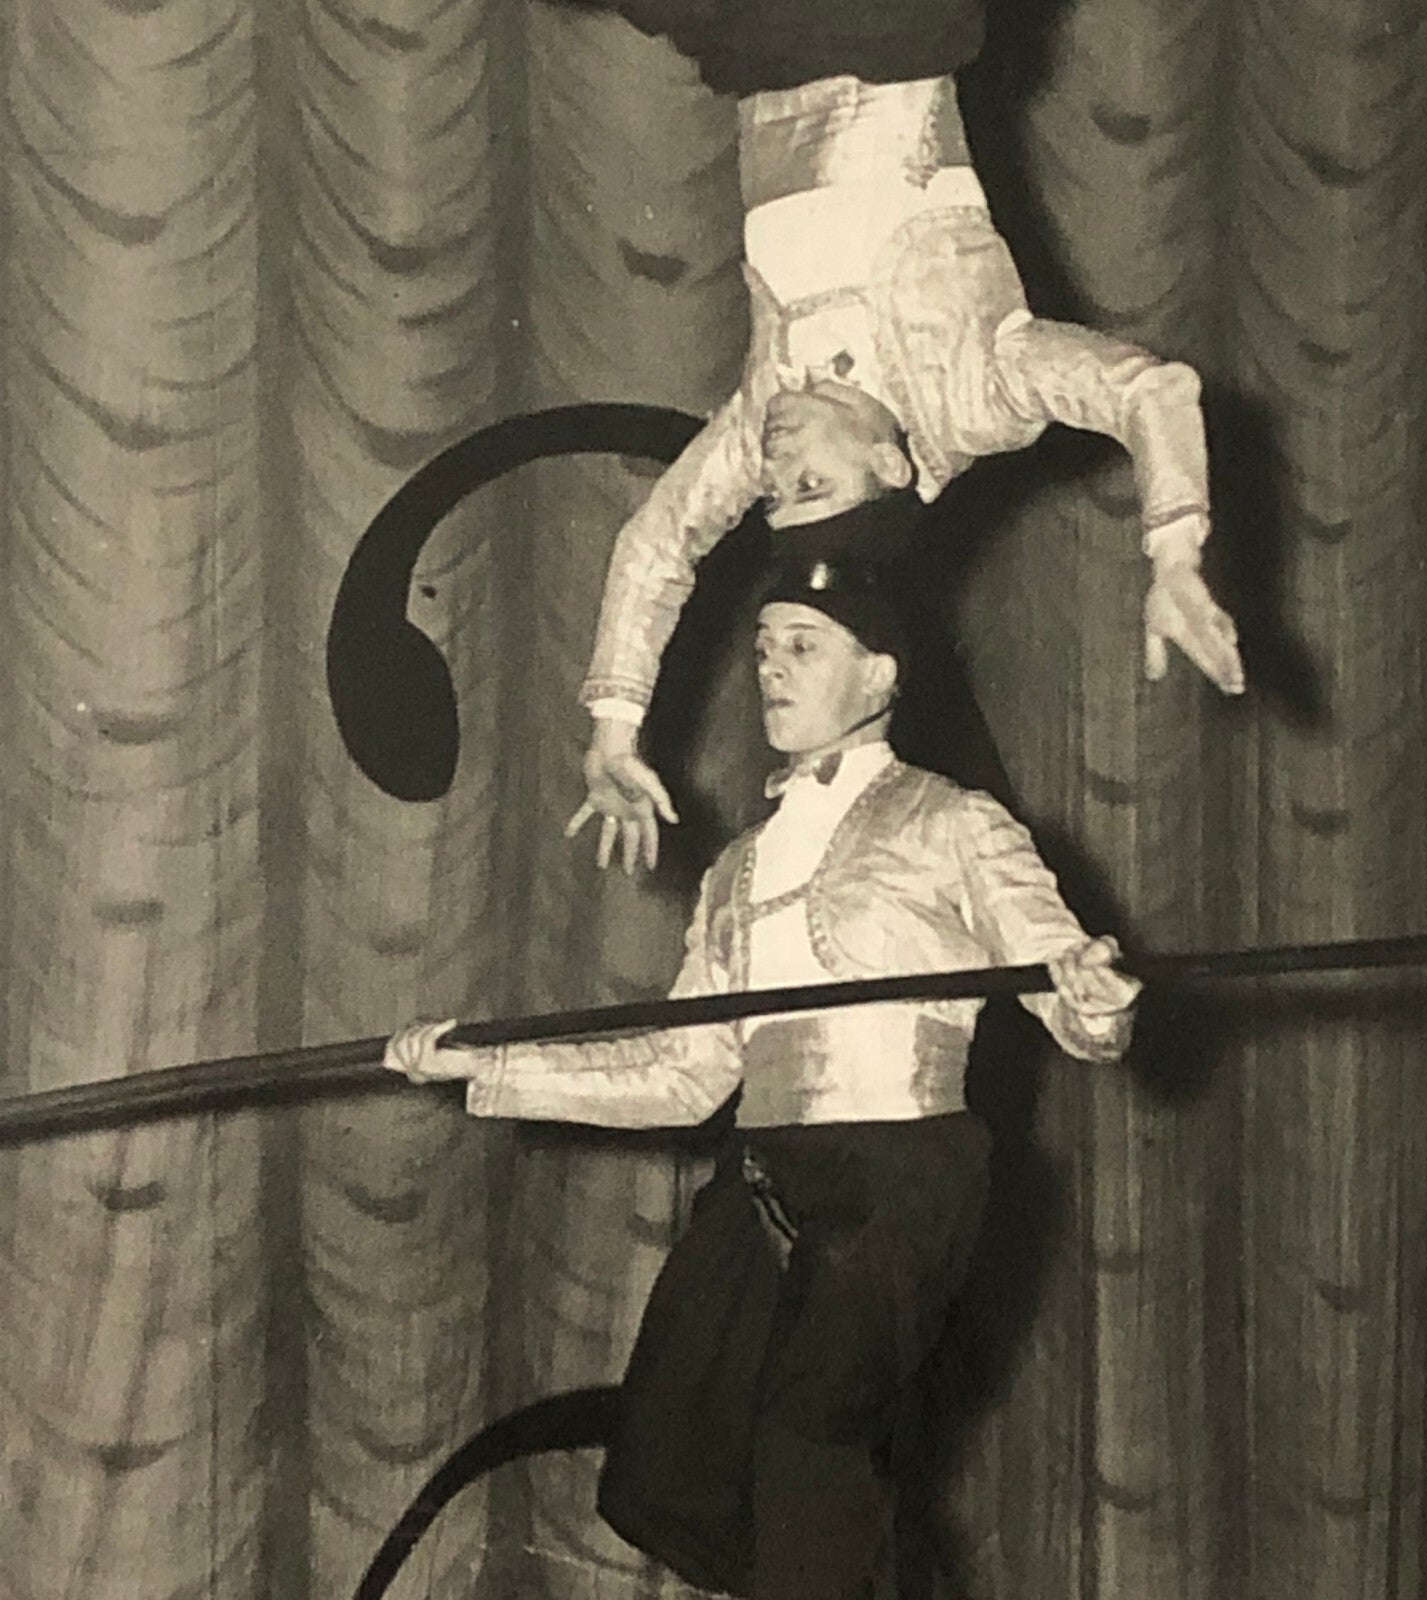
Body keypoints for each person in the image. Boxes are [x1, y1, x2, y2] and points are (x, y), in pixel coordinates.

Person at [386, 551, 1141, 1599]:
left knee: (811, 1435)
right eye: (763, 648)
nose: (771, 670)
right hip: (766, 1177)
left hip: (901, 1178)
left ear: (878, 677)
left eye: (803, 646)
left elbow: (1079, 1011)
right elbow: (684, 1073)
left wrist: (1090, 987)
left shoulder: (953, 822)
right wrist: (487, 1066)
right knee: (676, 1454)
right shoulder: (734, 866)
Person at [567, 68, 1246, 874]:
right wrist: (1174, 552)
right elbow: (1147, 389)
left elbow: (657, 545)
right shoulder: (974, 397)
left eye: (777, 493)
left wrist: (614, 728)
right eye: (811, 483)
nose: (778, 463)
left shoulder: (766, 422)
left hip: (764, 59)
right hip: (882, 42)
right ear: (890, 466)